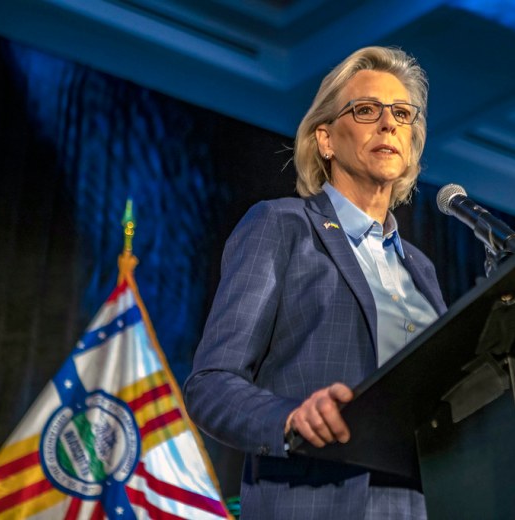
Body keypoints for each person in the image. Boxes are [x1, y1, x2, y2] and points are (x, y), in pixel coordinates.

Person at [184, 46, 446, 519]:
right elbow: (211, 384)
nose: (388, 124)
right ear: (325, 139)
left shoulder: (422, 270)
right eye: (366, 110)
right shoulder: (282, 227)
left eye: (402, 114)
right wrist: (289, 419)